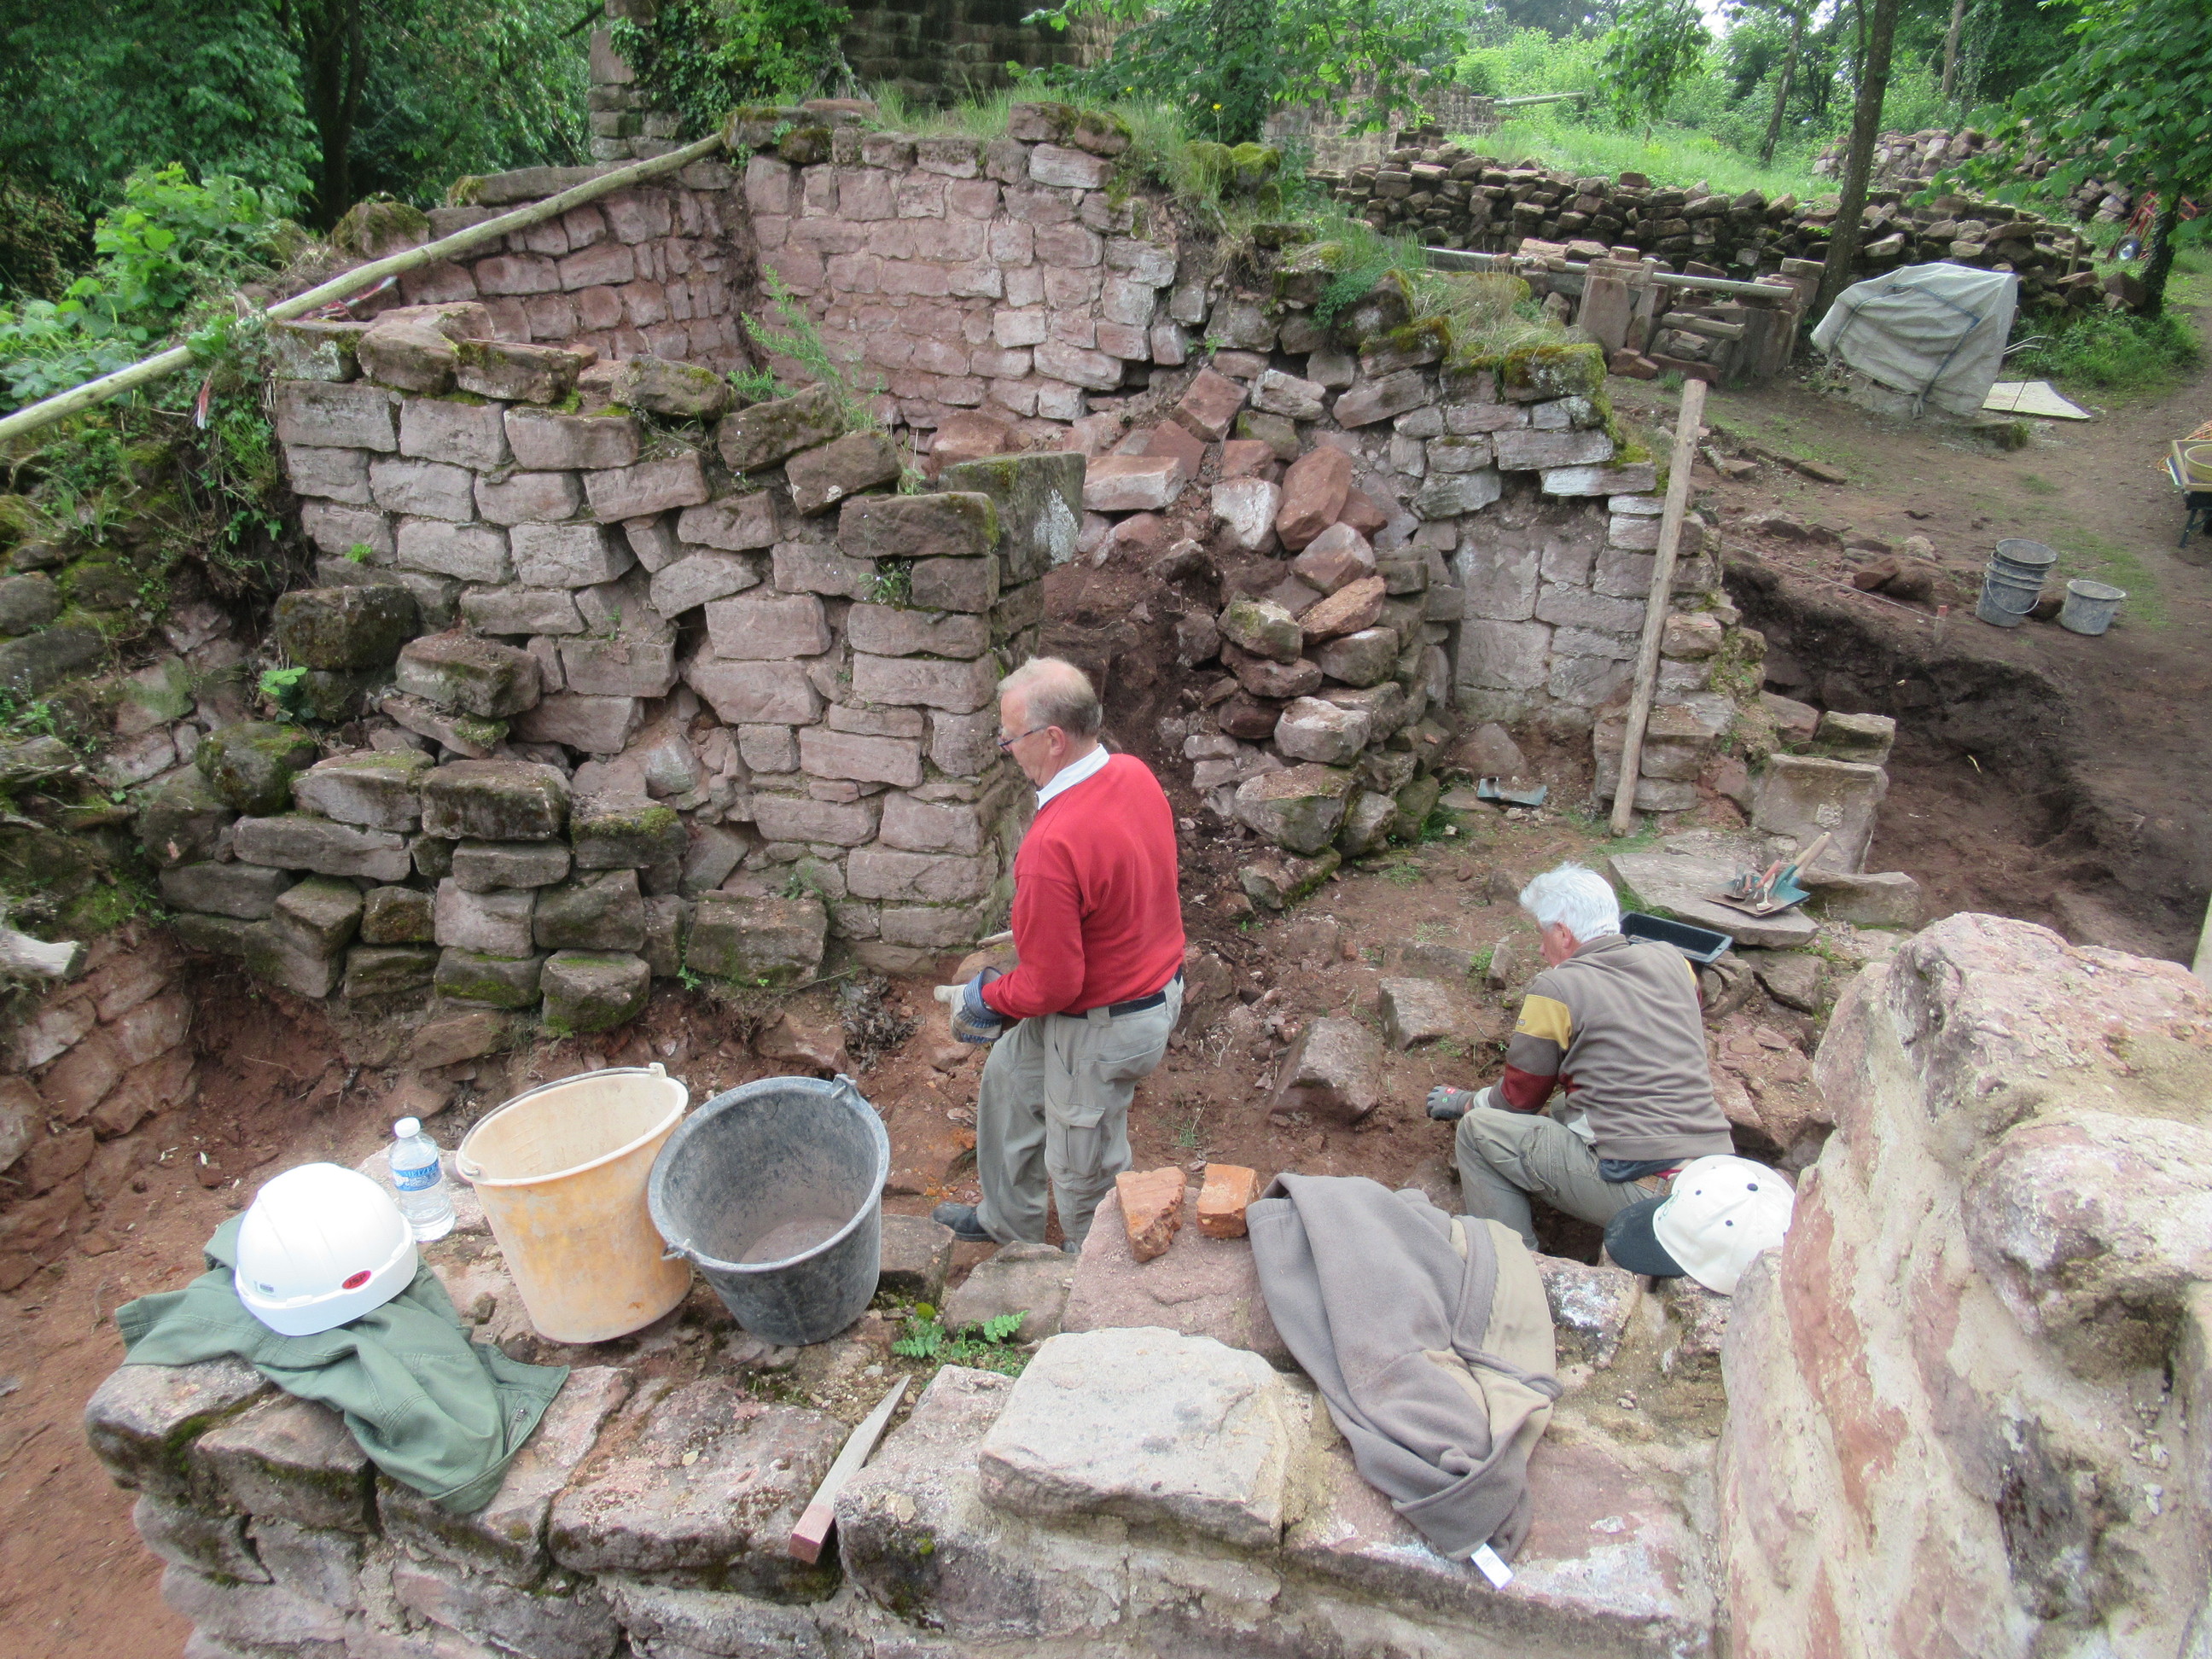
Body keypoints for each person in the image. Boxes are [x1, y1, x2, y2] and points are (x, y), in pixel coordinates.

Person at [932, 658, 1185, 1252]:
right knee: (1009, 1080)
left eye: (1010, 738)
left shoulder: (1051, 845)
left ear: (1052, 739)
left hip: (1107, 1025)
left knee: (1081, 1176)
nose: (1006, 750)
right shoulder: (1131, 772)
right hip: (1149, 986)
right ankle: (1009, 1224)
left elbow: (1052, 987)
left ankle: (1090, 1279)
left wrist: (986, 996)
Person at [1425, 861, 1735, 1253]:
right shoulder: (1676, 961)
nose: (1541, 949)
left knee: (1477, 1131)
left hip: (1651, 1194)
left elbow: (1518, 1102)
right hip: (1716, 1170)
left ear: (1563, 933)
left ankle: (1512, 1262)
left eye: (1543, 935)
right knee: (1563, 1107)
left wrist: (1466, 1102)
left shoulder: (1557, 988)